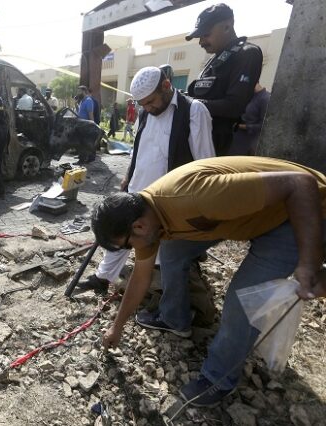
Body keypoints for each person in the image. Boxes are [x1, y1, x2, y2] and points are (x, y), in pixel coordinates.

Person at [93, 156, 326, 407]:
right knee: (172, 249)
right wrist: (116, 328)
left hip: (295, 215)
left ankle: (220, 378)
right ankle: (174, 318)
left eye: (127, 245)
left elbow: (301, 183)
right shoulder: (151, 215)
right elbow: (140, 277)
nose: (132, 249)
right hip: (255, 214)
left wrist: (309, 263)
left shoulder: (194, 197)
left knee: (241, 299)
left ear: (138, 227)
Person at [78, 66, 216, 322]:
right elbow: (138, 149)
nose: (149, 108)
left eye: (151, 102)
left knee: (161, 253)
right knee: (119, 235)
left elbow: (206, 164)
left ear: (165, 86)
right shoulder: (144, 112)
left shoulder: (193, 111)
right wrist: (128, 175)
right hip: (136, 190)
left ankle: (158, 298)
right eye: (143, 104)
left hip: (167, 202)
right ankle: (103, 278)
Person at [185, 3, 263, 156]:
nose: (201, 42)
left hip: (222, 147)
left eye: (205, 35)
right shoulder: (215, 58)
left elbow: (234, 105)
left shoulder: (247, 53)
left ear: (227, 26)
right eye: (199, 37)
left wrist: (189, 104)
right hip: (199, 139)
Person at [229, 82, 270, 155]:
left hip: (250, 141)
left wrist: (241, 126)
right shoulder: (248, 96)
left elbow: (265, 125)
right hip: (237, 139)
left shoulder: (265, 98)